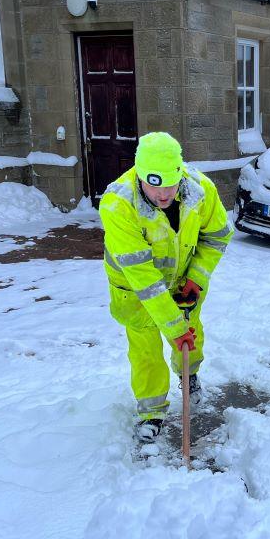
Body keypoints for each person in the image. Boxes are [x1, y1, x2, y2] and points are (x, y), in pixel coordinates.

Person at [99, 131, 231, 439]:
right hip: (135, 291)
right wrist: (173, 327)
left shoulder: (201, 190)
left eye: (171, 184)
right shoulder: (118, 206)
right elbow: (143, 277)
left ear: (180, 172)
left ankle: (190, 374)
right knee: (146, 351)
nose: (164, 195)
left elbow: (218, 235)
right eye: (155, 186)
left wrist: (197, 278)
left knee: (191, 335)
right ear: (140, 175)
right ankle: (151, 413)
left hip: (184, 281)